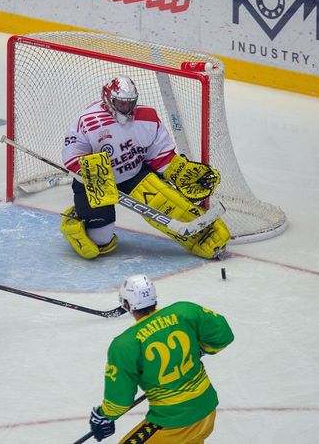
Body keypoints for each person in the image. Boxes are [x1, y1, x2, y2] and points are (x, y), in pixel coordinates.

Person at [60, 75, 230, 260]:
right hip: (96, 183)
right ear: (109, 100)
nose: (127, 108)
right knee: (101, 241)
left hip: (133, 173)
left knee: (168, 205)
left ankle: (204, 234)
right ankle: (78, 215)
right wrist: (95, 173)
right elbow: (71, 157)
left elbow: (160, 155)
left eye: (130, 103)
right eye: (121, 103)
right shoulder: (88, 121)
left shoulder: (147, 118)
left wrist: (178, 170)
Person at [86, 274, 234, 443]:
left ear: (126, 304)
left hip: (173, 422)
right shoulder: (185, 311)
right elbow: (223, 335)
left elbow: (120, 400)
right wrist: (201, 351)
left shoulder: (125, 344)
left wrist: (104, 415)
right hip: (207, 410)